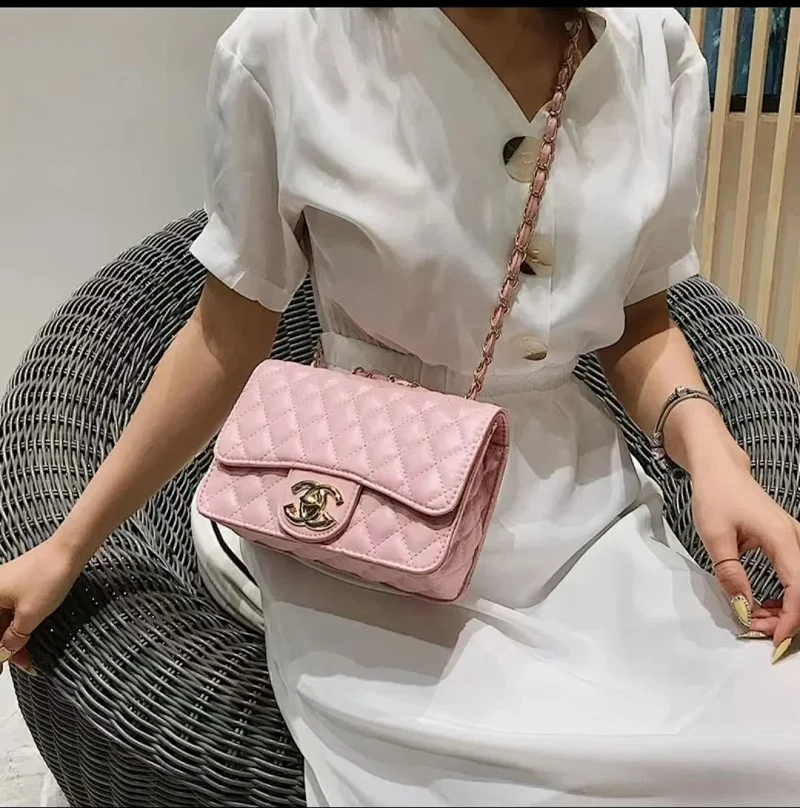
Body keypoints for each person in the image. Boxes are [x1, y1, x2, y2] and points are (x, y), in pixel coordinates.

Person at [3, 6, 800, 805]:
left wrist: (713, 455)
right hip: (367, 520)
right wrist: (68, 548)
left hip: (582, 518)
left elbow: (642, 319)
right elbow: (225, 337)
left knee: (764, 750)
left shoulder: (656, 52)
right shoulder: (291, 46)